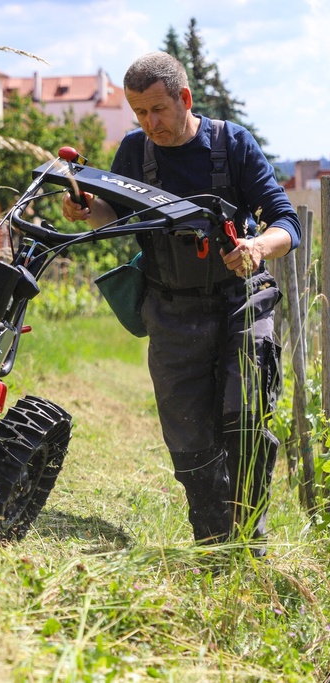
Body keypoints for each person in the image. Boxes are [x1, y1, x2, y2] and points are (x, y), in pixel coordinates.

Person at [62, 51, 301, 555]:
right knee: (189, 441)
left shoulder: (232, 145)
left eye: (158, 111)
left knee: (247, 423)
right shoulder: (135, 153)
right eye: (139, 113)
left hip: (241, 301)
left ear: (184, 98)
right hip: (171, 310)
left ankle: (249, 544)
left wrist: (257, 247)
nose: (150, 124)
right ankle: (214, 548)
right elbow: (116, 216)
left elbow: (287, 223)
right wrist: (88, 209)